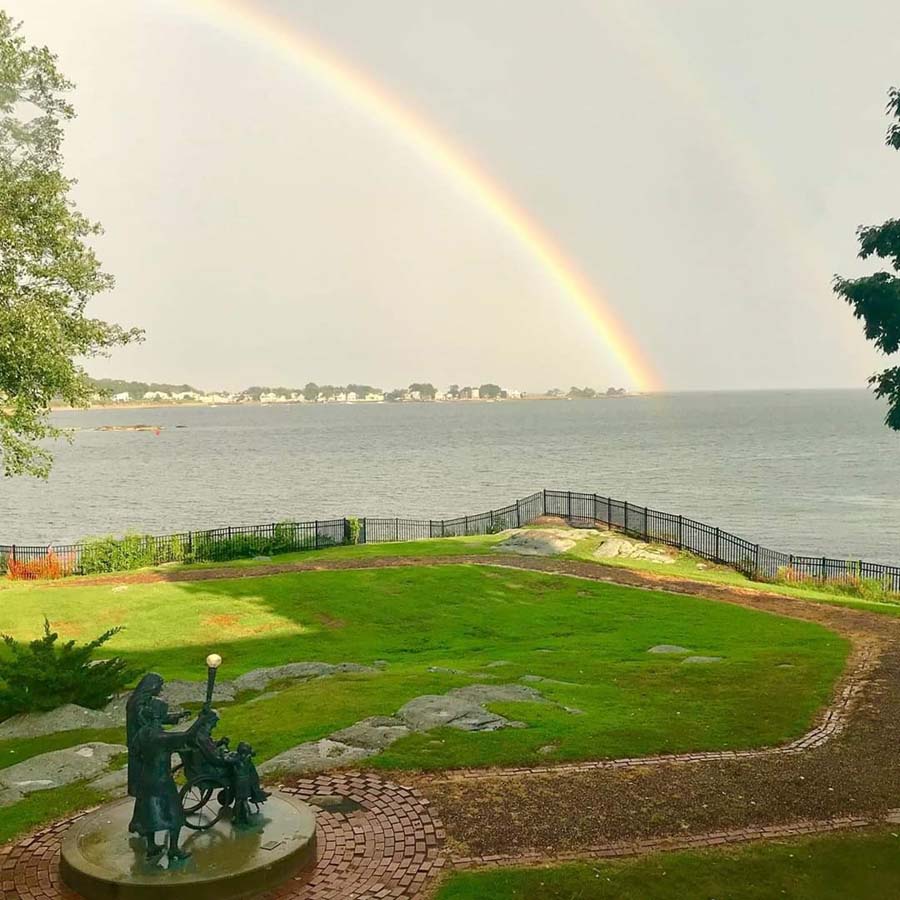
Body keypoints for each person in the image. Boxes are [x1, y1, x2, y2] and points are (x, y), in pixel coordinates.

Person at [128, 697, 216, 861]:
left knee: (150, 812)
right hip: (161, 780)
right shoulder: (161, 738)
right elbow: (186, 736)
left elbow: (135, 752)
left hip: (146, 778)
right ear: (160, 715)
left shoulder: (142, 733)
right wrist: (201, 720)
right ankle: (174, 849)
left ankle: (152, 846)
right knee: (174, 814)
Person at [125, 673, 189, 800]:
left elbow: (156, 718)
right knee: (142, 772)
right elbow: (148, 723)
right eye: (160, 686)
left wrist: (176, 716)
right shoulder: (138, 704)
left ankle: (146, 792)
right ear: (152, 686)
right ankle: (143, 793)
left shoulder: (145, 701)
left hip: (144, 742)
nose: (161, 689)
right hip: (140, 744)